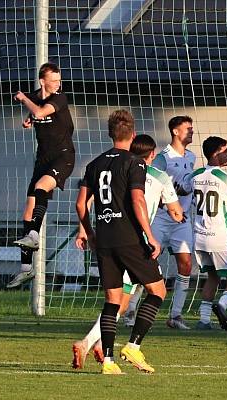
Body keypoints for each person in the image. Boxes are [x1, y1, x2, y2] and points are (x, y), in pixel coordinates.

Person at [71, 134, 183, 369]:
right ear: (151, 155)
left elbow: (84, 202)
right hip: (135, 241)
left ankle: (104, 352)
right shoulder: (150, 173)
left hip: (106, 238)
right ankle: (116, 345)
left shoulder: (107, 168)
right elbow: (166, 209)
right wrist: (169, 220)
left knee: (116, 299)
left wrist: (85, 230)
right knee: (153, 292)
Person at [8, 62, 76, 288]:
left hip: (63, 157)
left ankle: (34, 236)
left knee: (40, 188)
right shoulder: (37, 95)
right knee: (28, 210)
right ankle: (26, 269)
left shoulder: (59, 98)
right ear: (43, 81)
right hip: (43, 159)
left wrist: (26, 104)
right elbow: (34, 108)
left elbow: (39, 110)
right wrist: (29, 116)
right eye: (54, 80)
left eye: (59, 79)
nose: (59, 84)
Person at [191, 136, 227, 331]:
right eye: (225, 150)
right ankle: (222, 305)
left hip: (199, 237)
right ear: (216, 153)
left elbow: (185, 192)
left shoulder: (194, 175)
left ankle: (204, 320)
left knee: (212, 276)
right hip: (220, 237)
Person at [151, 116, 197, 330]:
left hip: (182, 220)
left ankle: (176, 315)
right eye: (187, 128)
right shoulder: (163, 158)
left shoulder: (192, 156)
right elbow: (152, 184)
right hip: (161, 217)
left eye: (192, 128)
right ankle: (130, 309)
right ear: (175, 132)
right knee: (147, 261)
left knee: (186, 263)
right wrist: (170, 201)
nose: (191, 131)